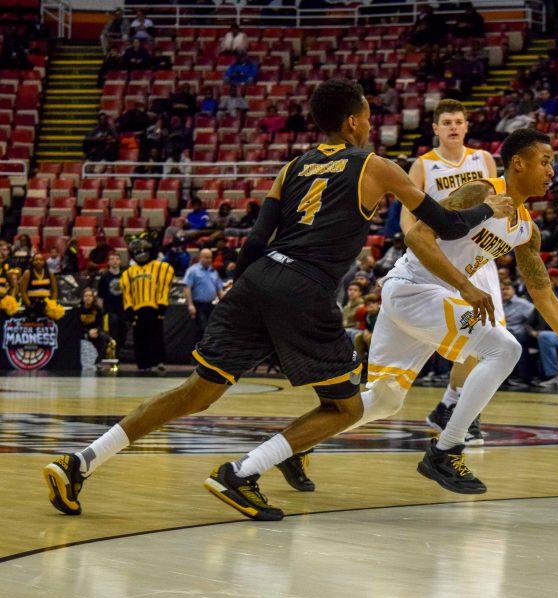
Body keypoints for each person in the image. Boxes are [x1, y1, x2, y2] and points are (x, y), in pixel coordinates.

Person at [43, 78, 514, 521]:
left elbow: (252, 243)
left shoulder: (293, 167)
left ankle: (80, 462)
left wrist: (242, 294)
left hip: (258, 277)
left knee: (196, 392)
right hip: (305, 288)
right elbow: (450, 226)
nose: (370, 124)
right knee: (346, 409)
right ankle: (240, 474)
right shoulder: (376, 166)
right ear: (352, 122)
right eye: (367, 116)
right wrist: (488, 207)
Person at [340, 128, 558, 496]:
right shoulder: (481, 191)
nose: (552, 170)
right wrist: (465, 285)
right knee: (504, 348)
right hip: (416, 287)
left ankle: (295, 444)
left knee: (383, 400)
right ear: (518, 164)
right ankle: (447, 448)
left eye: (553, 163)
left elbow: (546, 299)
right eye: (545, 161)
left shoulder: (527, 230)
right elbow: (417, 236)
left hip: (433, 299)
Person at [401, 98, 499, 446]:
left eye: (459, 121)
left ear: (467, 126)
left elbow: (497, 204)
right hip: (443, 261)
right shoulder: (424, 166)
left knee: (488, 340)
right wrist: (414, 244)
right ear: (436, 129)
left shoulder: (483, 159)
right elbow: (407, 215)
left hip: (481, 258)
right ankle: (457, 411)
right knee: (473, 340)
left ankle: (451, 407)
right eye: (447, 122)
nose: (454, 127)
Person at [119, 236, 174, 372]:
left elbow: (163, 286)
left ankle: (159, 361)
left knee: (156, 336)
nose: (141, 254)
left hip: (154, 308)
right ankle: (144, 364)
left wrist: (162, 306)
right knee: (140, 338)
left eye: (143, 250)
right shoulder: (129, 273)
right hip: (137, 310)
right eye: (137, 251)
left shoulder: (159, 267)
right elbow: (127, 293)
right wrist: (129, 310)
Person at [499, 278, 535, 387]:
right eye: (502, 289)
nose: (504, 291)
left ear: (514, 290)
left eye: (507, 288)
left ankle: (523, 378)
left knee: (517, 340)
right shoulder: (497, 303)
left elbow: (535, 318)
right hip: (501, 333)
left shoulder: (523, 304)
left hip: (518, 334)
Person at [184, 249, 225, 343]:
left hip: (210, 305)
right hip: (198, 305)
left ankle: (206, 352)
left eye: (210, 257)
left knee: (211, 329)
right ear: (200, 258)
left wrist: (224, 304)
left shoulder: (213, 271)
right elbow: (187, 288)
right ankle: (197, 353)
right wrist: (190, 305)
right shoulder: (193, 270)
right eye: (206, 257)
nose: (208, 260)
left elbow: (219, 290)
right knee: (202, 329)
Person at [97, 251, 127, 359]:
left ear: (120, 261)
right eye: (112, 259)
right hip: (110, 309)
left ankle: (117, 351)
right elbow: (100, 297)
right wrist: (103, 311)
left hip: (123, 309)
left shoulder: (125, 275)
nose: (114, 261)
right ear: (109, 262)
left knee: (123, 332)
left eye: (116, 259)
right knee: (113, 331)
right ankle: (113, 356)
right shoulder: (104, 277)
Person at [79, 287, 111, 370]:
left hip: (95, 331)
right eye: (86, 296)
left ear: (93, 298)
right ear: (82, 298)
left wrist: (95, 331)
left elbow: (100, 325)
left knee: (103, 337)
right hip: (82, 331)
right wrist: (87, 331)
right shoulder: (78, 310)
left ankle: (97, 362)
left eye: (90, 296)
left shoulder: (98, 310)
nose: (88, 298)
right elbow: (77, 326)